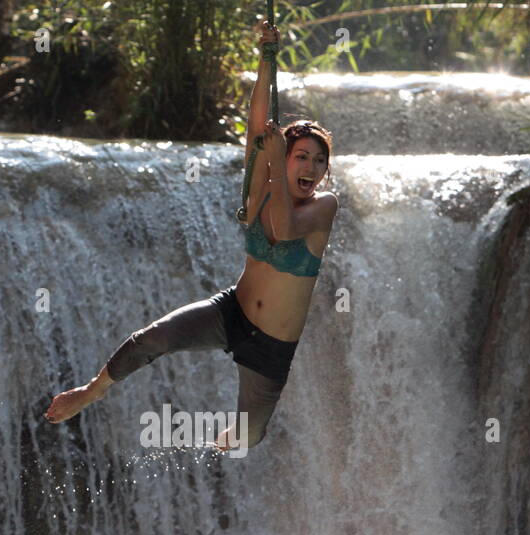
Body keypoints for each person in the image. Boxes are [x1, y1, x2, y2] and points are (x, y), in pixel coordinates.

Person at [44, 18, 338, 452]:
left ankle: (237, 434)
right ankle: (92, 390)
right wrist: (265, 58)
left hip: (272, 347)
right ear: (286, 159)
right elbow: (257, 127)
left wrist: (275, 169)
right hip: (232, 311)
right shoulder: (260, 186)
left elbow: (284, 230)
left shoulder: (323, 207)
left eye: (318, 161)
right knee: (151, 339)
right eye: (301, 157)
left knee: (247, 438)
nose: (311, 169)